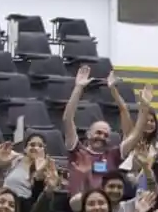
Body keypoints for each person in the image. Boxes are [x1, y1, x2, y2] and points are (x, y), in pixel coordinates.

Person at [63, 65, 152, 196]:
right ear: (88, 134)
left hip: (105, 206)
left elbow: (136, 135)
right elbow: (67, 119)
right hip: (78, 205)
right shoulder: (76, 149)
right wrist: (79, 88)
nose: (102, 137)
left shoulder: (114, 155)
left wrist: (145, 107)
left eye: (106, 135)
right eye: (98, 132)